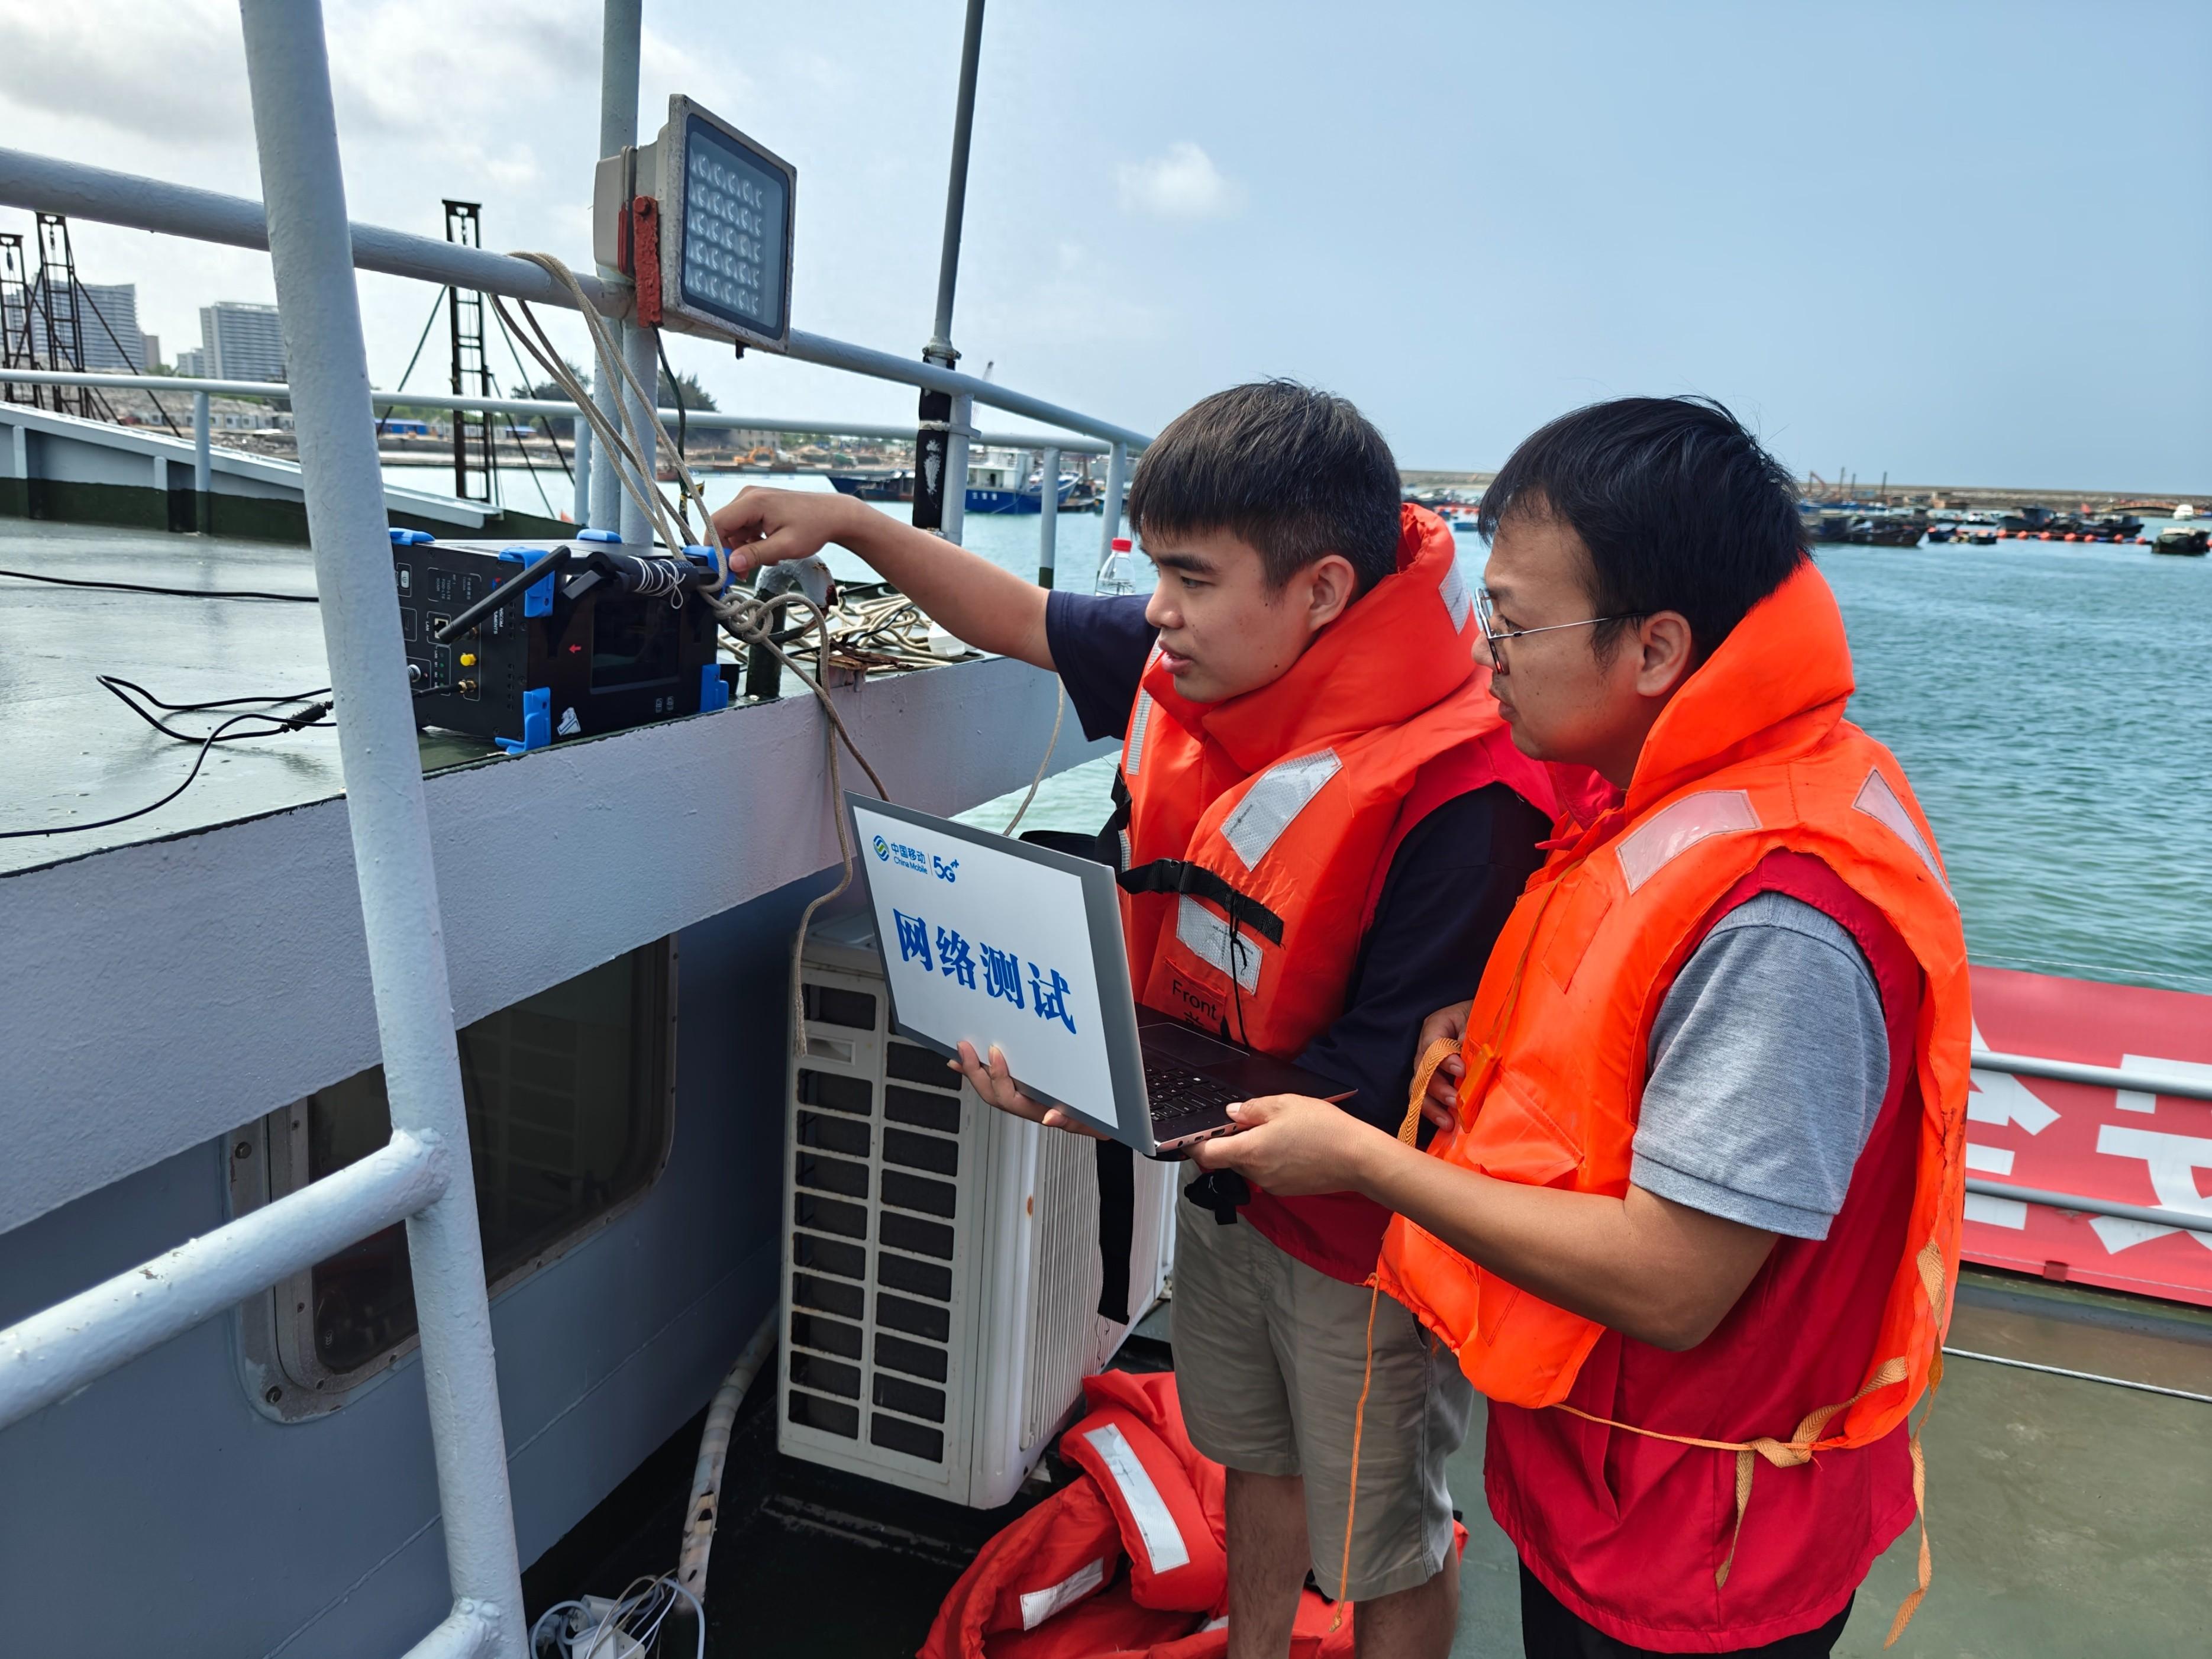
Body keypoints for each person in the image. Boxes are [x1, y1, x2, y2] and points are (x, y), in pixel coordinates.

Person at [713, 381, 1558, 1659]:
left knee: (1389, 1537)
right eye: (1154, 568)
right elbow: (1015, 612)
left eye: (1189, 576)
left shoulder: (1462, 792)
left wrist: (1111, 1096)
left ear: (1321, 591)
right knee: (1250, 1457)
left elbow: (1379, 1077)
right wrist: (853, 524)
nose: (1155, 608)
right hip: (1224, 1191)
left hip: (1361, 1236)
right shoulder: (1211, 647)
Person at [1190, 396, 1970, 1658]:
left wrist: (1365, 1161)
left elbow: (1673, 1282)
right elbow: (1615, 1039)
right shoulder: (1675, 789)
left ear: (1655, 647)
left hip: (1702, 1536)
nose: (1481, 646)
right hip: (1601, 1476)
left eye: (1509, 618)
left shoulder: (1784, 916)